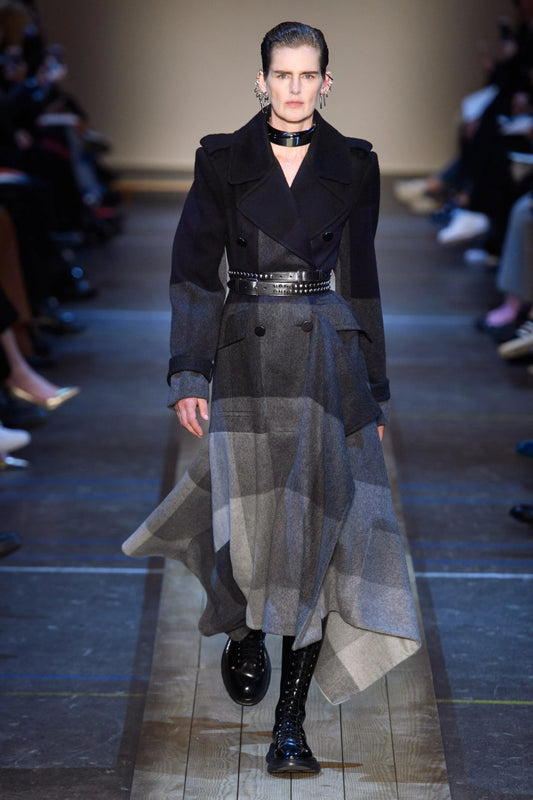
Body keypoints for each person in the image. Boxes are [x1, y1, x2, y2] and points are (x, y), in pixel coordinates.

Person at [123, 21, 420, 776]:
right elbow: (194, 272)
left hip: (325, 361)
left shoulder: (354, 165)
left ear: (327, 81)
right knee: (247, 521)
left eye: (306, 74)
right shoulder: (222, 160)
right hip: (244, 357)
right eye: (281, 75)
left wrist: (375, 390)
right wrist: (188, 372)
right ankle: (245, 627)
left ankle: (290, 723)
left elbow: (363, 280)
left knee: (317, 538)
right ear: (261, 81)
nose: (293, 88)